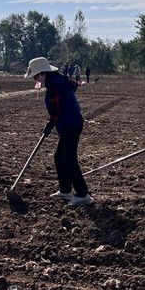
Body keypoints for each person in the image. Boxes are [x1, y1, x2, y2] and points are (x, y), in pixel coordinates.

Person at [25, 56, 93, 207]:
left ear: (42, 73)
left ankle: (83, 195)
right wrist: (52, 122)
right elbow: (73, 86)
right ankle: (65, 190)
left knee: (68, 158)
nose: (34, 79)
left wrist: (50, 124)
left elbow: (57, 109)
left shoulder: (55, 84)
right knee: (59, 157)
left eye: (35, 76)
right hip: (69, 122)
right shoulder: (57, 80)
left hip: (70, 123)